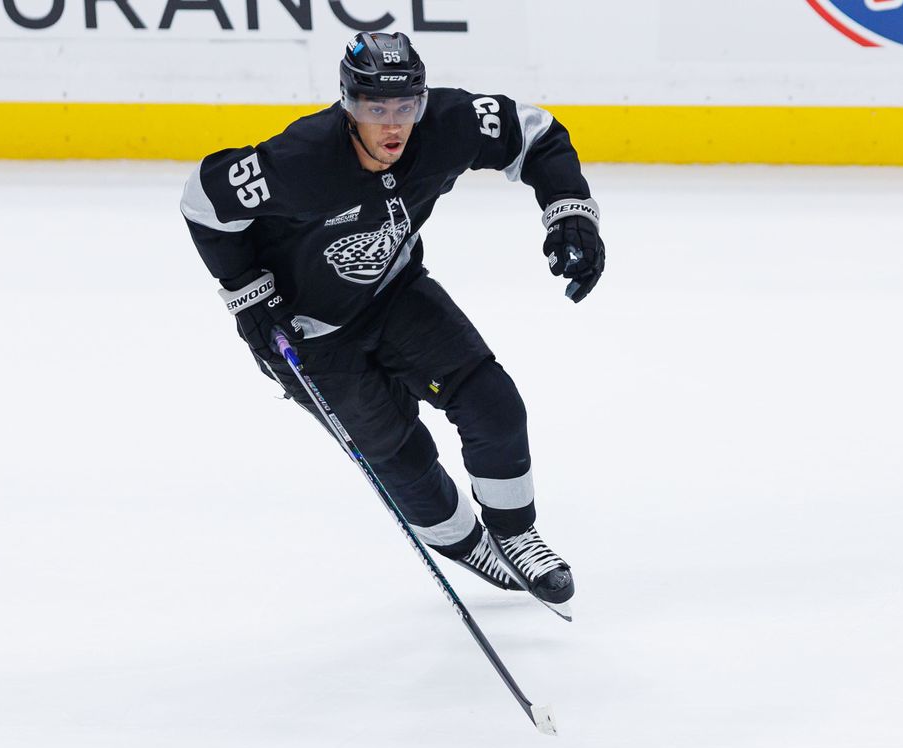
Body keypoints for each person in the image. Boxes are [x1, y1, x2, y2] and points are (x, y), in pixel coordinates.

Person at [181, 32, 605, 617]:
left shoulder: (446, 124)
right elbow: (203, 202)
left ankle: (514, 533)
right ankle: (467, 545)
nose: (393, 125)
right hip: (307, 334)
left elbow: (534, 132)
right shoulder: (302, 158)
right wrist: (249, 295)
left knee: (494, 403)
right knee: (401, 459)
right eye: (375, 108)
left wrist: (569, 212)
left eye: (405, 107)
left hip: (394, 293)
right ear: (348, 104)